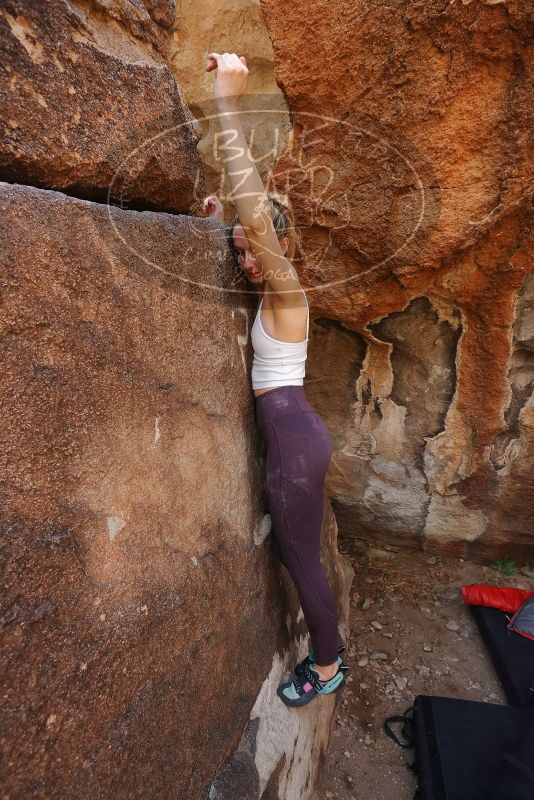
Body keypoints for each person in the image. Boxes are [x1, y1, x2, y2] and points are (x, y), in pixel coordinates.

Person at [203, 52, 349, 708]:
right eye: (239, 252)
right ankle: (328, 655)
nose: (247, 262)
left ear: (278, 246)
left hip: (293, 441)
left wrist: (226, 104)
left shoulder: (288, 289)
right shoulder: (270, 292)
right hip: (294, 433)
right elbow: (248, 228)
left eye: (251, 249)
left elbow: (259, 220)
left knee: (300, 559)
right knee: (300, 554)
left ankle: (327, 665)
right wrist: (217, 222)